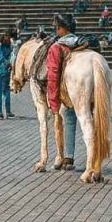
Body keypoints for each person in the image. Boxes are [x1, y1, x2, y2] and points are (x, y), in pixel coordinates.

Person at [46, 14, 81, 171]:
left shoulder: (57, 47)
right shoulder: (81, 44)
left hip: (68, 93)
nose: (56, 30)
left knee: (69, 118)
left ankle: (68, 156)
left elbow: (53, 75)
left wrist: (53, 101)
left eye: (58, 28)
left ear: (63, 29)